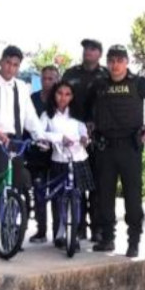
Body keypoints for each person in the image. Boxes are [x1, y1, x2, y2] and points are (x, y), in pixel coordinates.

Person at [86, 45, 145, 258]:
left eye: (119, 60)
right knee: (105, 196)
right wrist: (90, 124)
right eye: (111, 60)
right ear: (107, 62)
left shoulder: (138, 83)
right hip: (105, 147)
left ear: (127, 62)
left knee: (133, 198)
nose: (115, 65)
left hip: (130, 147)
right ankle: (108, 239)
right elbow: (86, 108)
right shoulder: (100, 84)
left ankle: (133, 242)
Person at [0, 45, 42, 193]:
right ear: (1, 62)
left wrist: (40, 137)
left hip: (15, 142)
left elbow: (31, 117)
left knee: (17, 185)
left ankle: (12, 213)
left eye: (15, 65)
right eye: (8, 63)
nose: (11, 68)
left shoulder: (22, 87)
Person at [33, 80, 93, 249]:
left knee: (77, 198)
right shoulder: (47, 115)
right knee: (59, 198)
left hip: (78, 159)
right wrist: (59, 138)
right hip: (59, 160)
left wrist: (84, 139)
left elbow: (83, 132)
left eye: (67, 94)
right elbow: (39, 133)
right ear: (54, 95)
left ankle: (75, 234)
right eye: (60, 93)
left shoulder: (76, 114)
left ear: (72, 97)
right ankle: (60, 233)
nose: (63, 98)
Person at [61, 39, 108, 240]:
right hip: (74, 136)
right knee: (77, 182)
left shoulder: (106, 75)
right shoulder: (71, 74)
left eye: (92, 49)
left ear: (99, 53)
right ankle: (78, 226)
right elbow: (61, 99)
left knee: (97, 183)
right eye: (85, 48)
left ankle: (97, 228)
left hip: (99, 136)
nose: (87, 52)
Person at [27, 65, 60, 242]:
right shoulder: (32, 99)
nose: (47, 82)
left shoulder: (61, 100)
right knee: (39, 193)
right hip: (37, 155)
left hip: (56, 155)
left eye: (51, 78)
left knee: (56, 194)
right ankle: (41, 230)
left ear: (57, 79)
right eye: (44, 78)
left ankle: (58, 233)